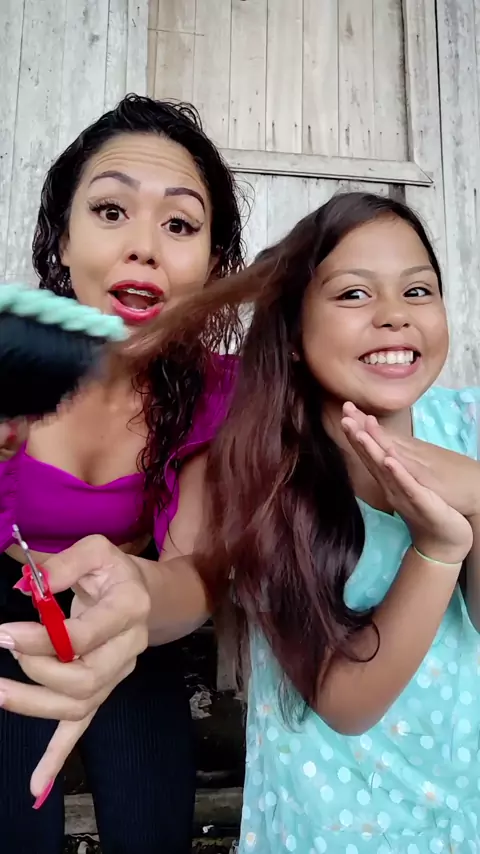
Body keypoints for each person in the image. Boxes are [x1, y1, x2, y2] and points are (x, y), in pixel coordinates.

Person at [3, 192, 480, 852]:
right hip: (334, 826)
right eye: (353, 294)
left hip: (461, 794)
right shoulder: (271, 474)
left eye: (419, 290)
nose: (395, 314)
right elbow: (344, 700)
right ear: (292, 334)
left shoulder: (467, 424)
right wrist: (438, 546)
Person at [0, 93, 243, 854]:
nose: (144, 247)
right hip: (5, 603)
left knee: (151, 828)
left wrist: (136, 602)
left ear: (211, 267)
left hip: (135, 610)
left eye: (180, 224)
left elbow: (194, 570)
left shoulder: (218, 392)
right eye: (111, 211)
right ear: (63, 239)